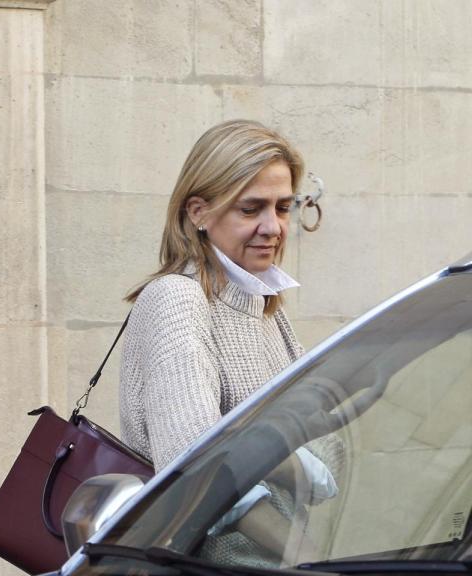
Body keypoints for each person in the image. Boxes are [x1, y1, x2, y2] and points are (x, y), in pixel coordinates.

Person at [118, 120, 340, 565]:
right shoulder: (178, 299)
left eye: (282, 207)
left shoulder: (263, 303)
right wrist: (308, 557)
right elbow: (199, 468)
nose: (273, 227)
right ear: (198, 211)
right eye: (250, 208)